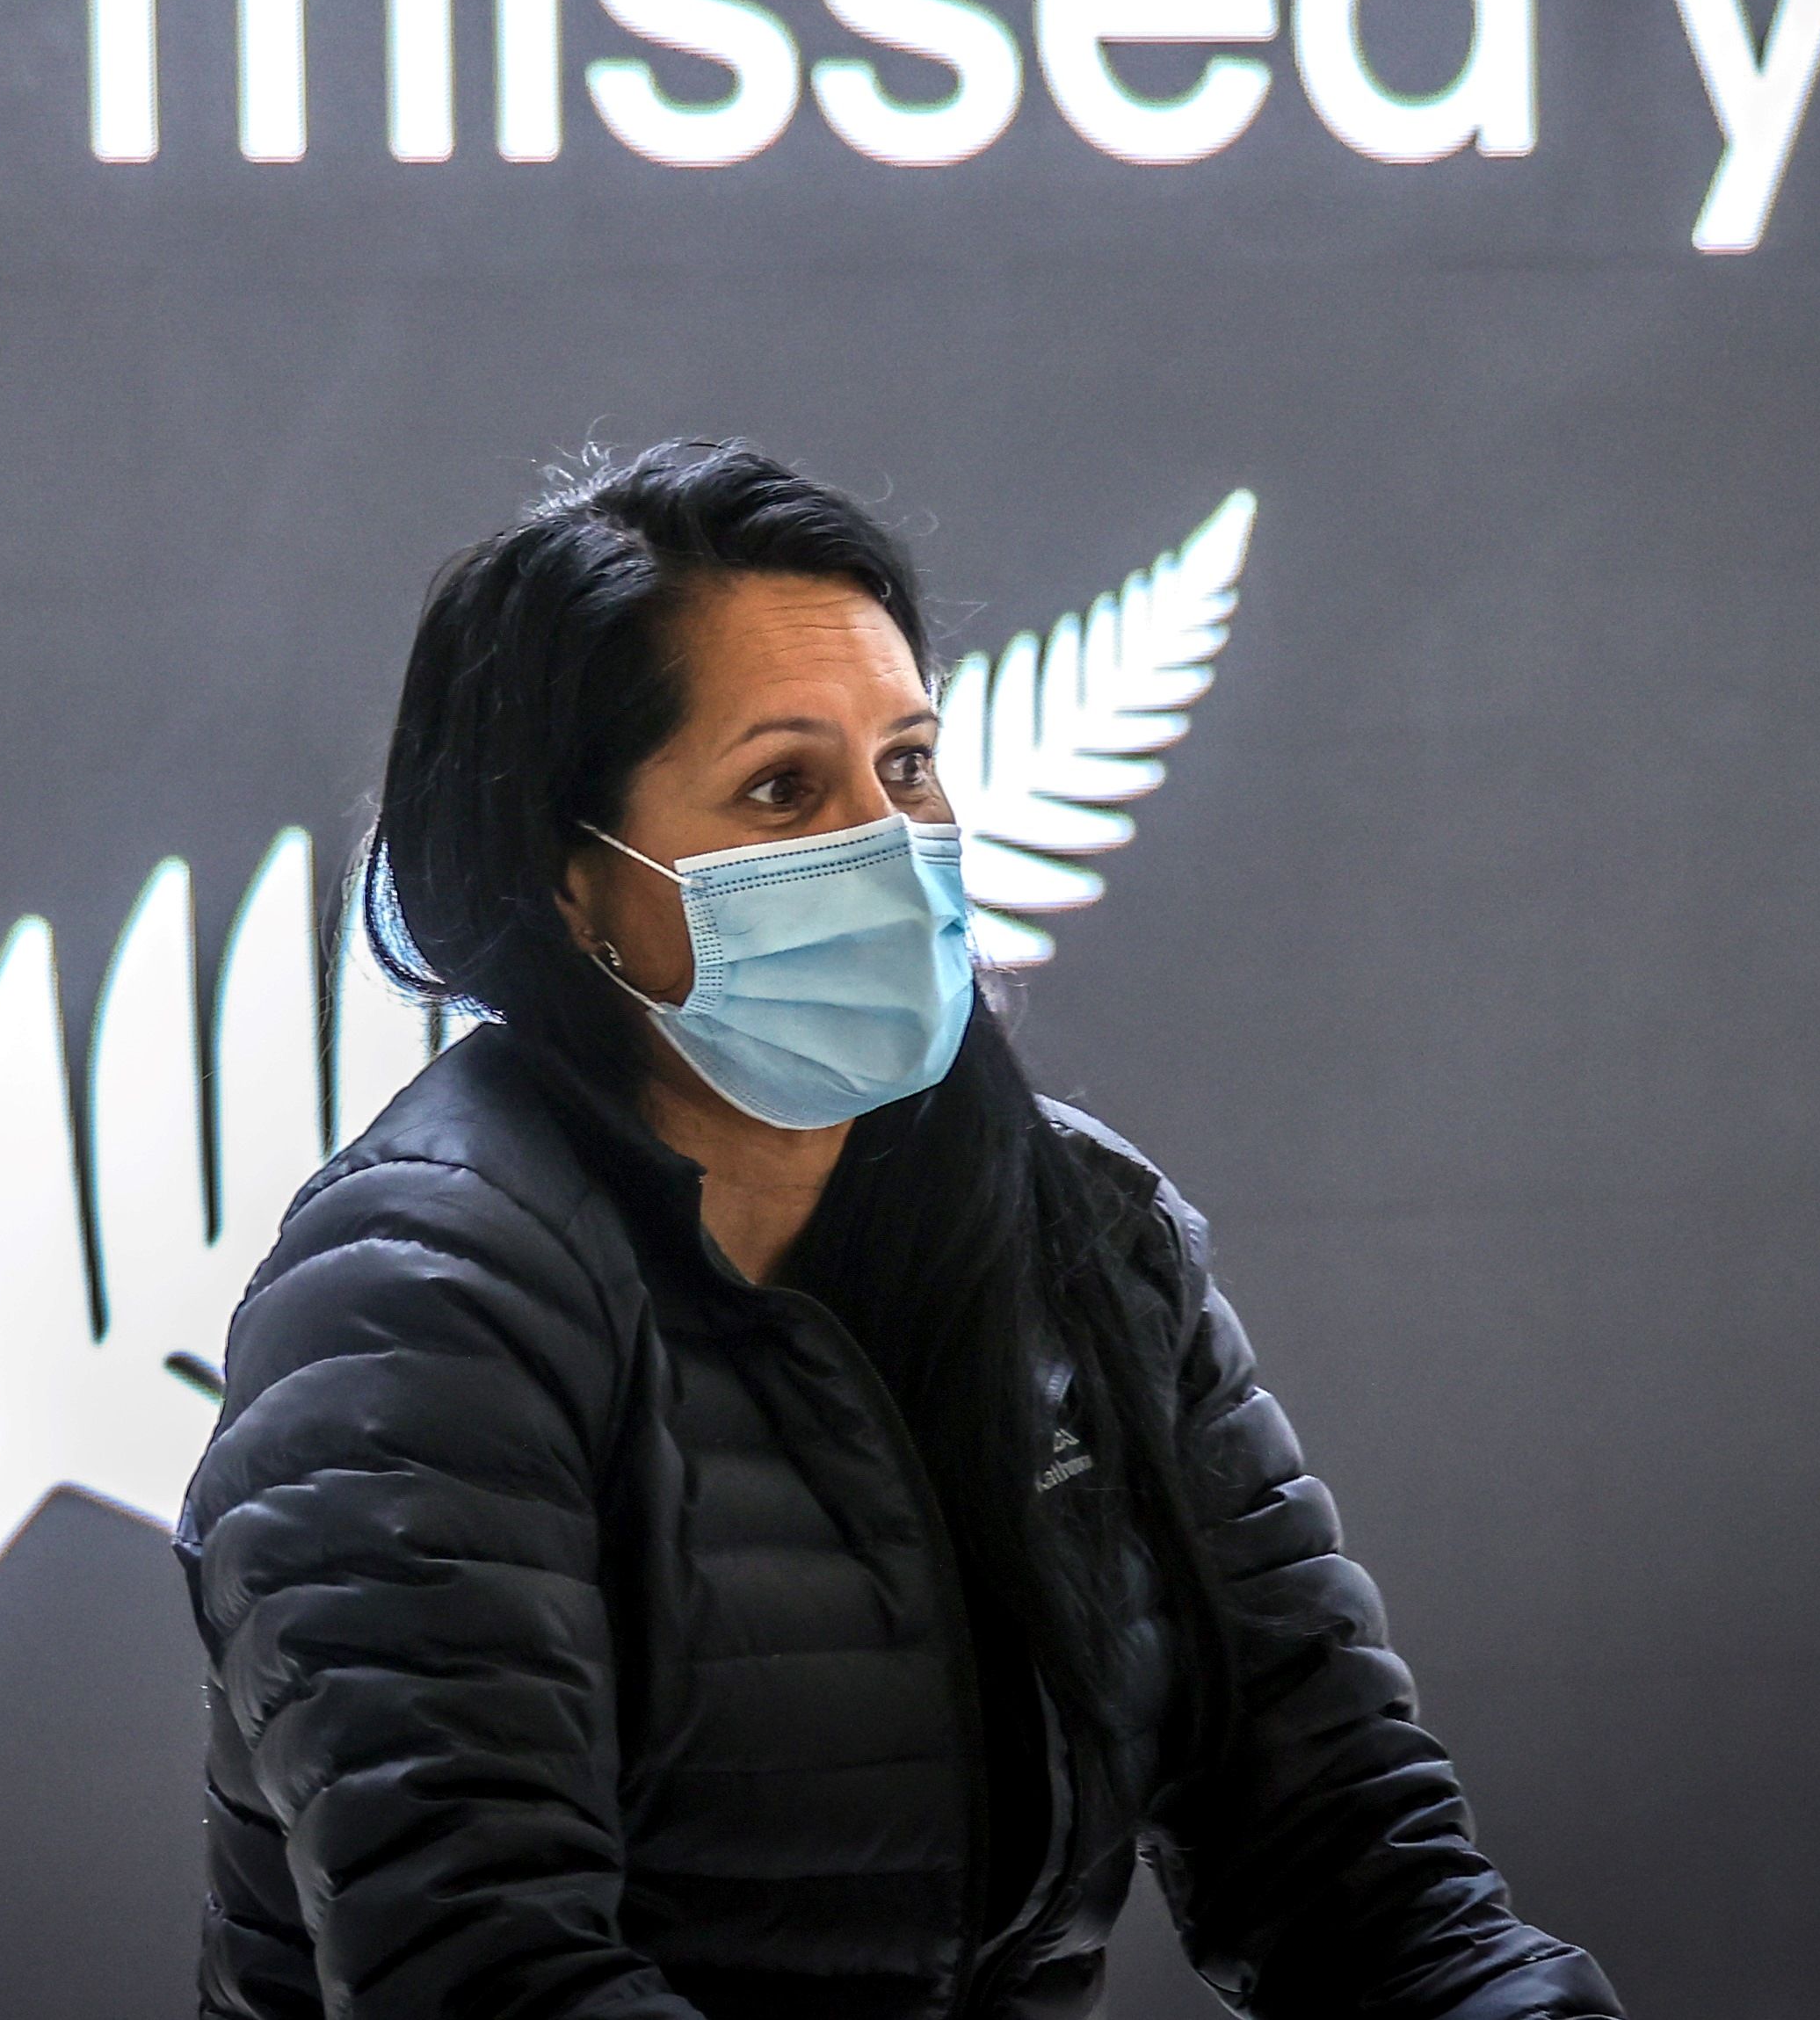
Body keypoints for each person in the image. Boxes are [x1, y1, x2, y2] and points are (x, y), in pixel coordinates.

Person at [173, 440, 1619, 2020]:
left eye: (910, 766)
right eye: (785, 786)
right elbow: (488, 1976)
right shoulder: (416, 1299)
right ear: (577, 885)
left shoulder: (1090, 1237)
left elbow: (1360, 1870)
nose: (890, 841)